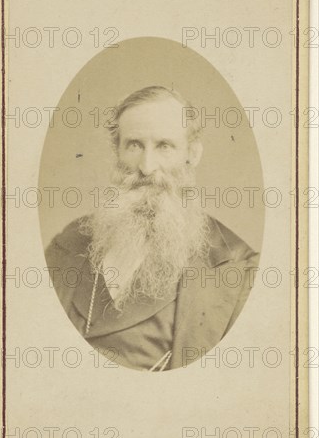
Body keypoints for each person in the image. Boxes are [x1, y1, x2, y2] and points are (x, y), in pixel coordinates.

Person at [45, 86, 259, 371]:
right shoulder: (68, 244)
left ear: (192, 154)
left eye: (164, 146)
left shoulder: (237, 270)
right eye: (134, 145)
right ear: (117, 150)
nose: (146, 167)